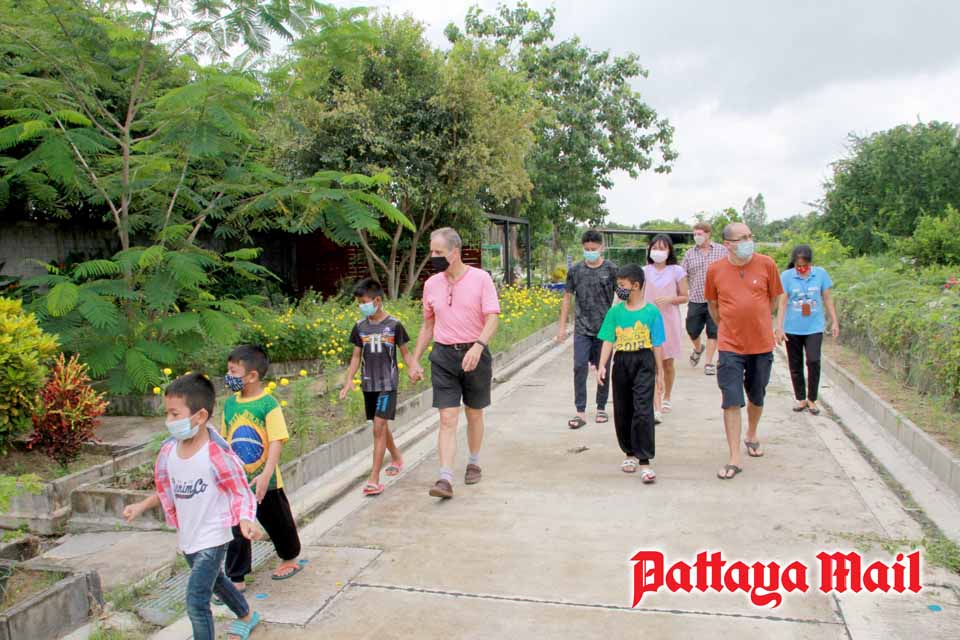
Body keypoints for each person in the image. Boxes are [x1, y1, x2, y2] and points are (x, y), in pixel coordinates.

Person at [123, 374, 262, 640]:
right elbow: (168, 489)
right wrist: (141, 506)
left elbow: (240, 490)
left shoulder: (216, 454)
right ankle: (246, 614)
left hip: (213, 535)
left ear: (199, 416)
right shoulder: (168, 452)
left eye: (175, 414)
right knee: (217, 582)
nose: (169, 421)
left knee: (196, 603)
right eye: (168, 414)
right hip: (189, 535)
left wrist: (245, 519)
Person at [410, 227, 501, 500]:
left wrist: (478, 345)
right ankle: (445, 478)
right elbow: (428, 326)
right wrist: (414, 359)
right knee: (447, 417)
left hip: (475, 354)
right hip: (443, 356)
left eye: (438, 252)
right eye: (431, 251)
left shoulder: (481, 279)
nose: (433, 256)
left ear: (455, 252)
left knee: (474, 413)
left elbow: (492, 317)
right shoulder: (431, 284)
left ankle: (473, 461)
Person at [705, 223, 784, 480]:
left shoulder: (767, 264)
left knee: (757, 394)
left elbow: (773, 300)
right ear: (728, 244)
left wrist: (757, 320)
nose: (748, 241)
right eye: (742, 238)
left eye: (750, 236)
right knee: (730, 399)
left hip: (761, 344)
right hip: (729, 346)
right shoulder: (715, 270)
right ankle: (734, 456)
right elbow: (713, 305)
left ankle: (752, 432)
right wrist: (728, 326)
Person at [221, 345, 302, 590]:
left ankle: (289, 557)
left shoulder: (268, 404)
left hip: (266, 481)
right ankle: (237, 576)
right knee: (237, 529)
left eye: (233, 372)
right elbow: (225, 441)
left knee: (278, 522)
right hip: (238, 482)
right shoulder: (229, 404)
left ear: (252, 376)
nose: (229, 377)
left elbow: (277, 440)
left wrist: (266, 475)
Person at [340, 278, 417, 496]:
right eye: (359, 303)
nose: (361, 306)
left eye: (364, 302)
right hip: (368, 384)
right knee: (379, 425)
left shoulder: (394, 325)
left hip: (387, 383)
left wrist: (413, 368)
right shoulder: (359, 327)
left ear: (377, 300)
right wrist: (348, 381)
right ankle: (397, 457)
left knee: (378, 427)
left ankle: (373, 479)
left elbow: (405, 353)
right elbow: (356, 356)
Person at [596, 264, 665, 483]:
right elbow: (608, 339)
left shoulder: (652, 312)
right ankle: (629, 453)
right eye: (619, 286)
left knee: (643, 410)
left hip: (643, 360)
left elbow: (657, 344)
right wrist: (602, 365)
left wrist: (660, 372)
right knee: (623, 408)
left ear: (636, 285)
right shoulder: (615, 312)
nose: (620, 290)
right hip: (622, 361)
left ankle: (644, 460)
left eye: (623, 285)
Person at [556, 229, 618, 429]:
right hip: (582, 328)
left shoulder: (611, 269)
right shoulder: (575, 271)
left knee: (604, 369)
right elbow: (567, 298)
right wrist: (562, 327)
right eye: (587, 249)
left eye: (594, 249)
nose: (590, 252)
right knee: (579, 366)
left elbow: (623, 296)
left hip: (605, 329)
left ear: (602, 248)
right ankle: (580, 410)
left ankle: (601, 407)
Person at [775, 245, 839, 415]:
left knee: (813, 361)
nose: (802, 269)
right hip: (792, 328)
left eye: (805, 266)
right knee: (795, 364)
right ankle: (801, 398)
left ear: (810, 263)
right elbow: (782, 303)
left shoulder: (820, 274)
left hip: (814, 327)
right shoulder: (786, 276)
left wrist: (835, 321)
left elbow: (827, 299)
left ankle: (812, 399)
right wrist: (779, 328)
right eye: (798, 266)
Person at [643, 234, 688, 420]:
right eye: (655, 247)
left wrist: (670, 299)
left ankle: (667, 396)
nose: (658, 252)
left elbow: (685, 296)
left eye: (662, 248)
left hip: (669, 319)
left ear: (669, 251)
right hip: (647, 319)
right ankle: (654, 398)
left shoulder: (676, 271)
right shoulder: (644, 270)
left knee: (667, 361)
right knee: (651, 361)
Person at [681, 221, 728, 375]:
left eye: (699, 234)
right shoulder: (689, 254)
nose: (696, 237)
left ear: (708, 234)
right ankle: (698, 348)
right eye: (694, 234)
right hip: (696, 298)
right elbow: (682, 275)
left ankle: (708, 363)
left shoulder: (721, 251)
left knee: (713, 332)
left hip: (716, 300)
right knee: (692, 329)